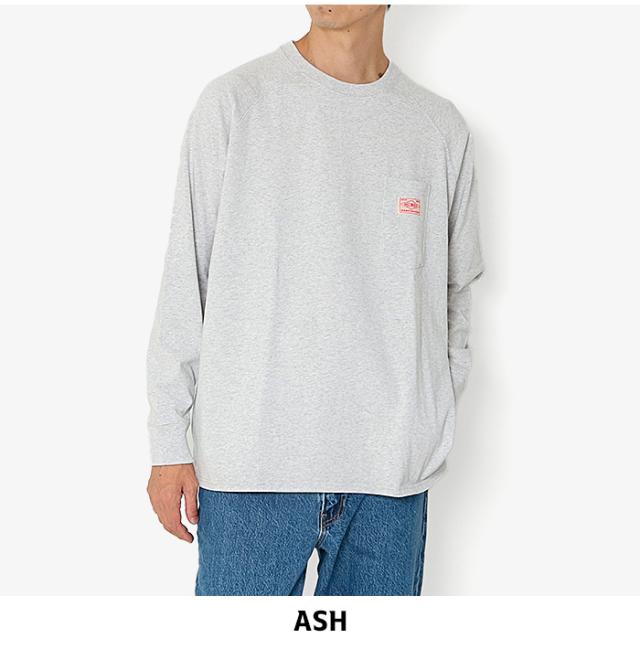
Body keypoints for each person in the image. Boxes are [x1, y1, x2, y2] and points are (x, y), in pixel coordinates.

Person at [146, 4, 483, 596]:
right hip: (250, 471)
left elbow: (453, 297)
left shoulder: (437, 128)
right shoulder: (235, 104)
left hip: (389, 479)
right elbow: (186, 280)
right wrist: (168, 442)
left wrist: (424, 424)